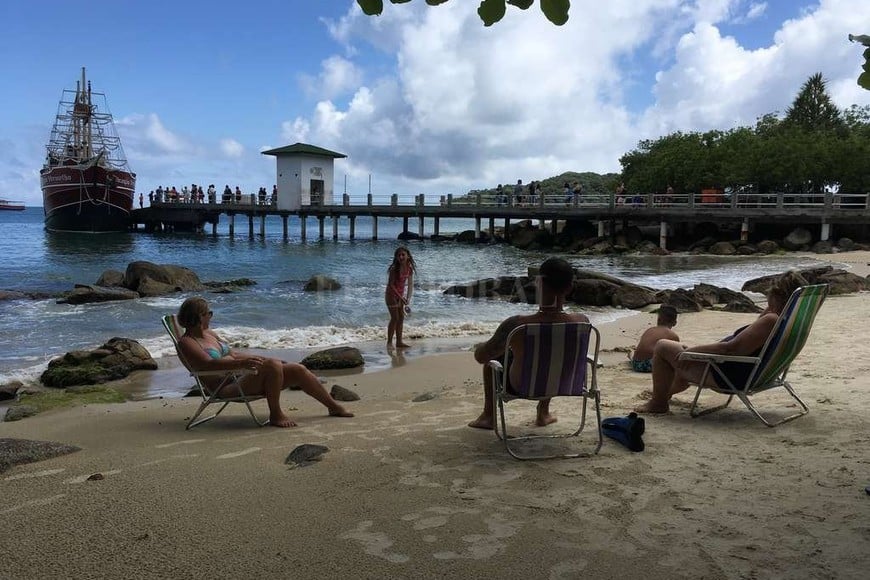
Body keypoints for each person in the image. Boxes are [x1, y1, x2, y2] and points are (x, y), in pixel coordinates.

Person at [634, 271, 806, 414]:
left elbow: (730, 349)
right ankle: (663, 395)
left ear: (776, 296)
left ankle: (658, 404)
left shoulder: (771, 320)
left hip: (727, 375)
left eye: (770, 294)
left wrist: (692, 352)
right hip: (745, 372)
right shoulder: (787, 321)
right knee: (680, 353)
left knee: (663, 346)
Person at [175, 297, 354, 427]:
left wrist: (260, 359)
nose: (211, 316)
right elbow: (207, 365)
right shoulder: (187, 342)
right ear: (198, 317)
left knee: (297, 369)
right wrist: (242, 365)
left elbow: (234, 355)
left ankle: (333, 407)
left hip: (241, 377)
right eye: (208, 313)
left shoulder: (210, 334)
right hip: (226, 387)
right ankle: (276, 414)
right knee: (273, 365)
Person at [468, 257, 589, 430]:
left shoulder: (517, 324)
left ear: (539, 283)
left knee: (491, 363)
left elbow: (481, 357)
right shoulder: (581, 322)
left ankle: (488, 416)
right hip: (563, 383)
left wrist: (481, 346)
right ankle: (543, 413)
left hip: (522, 385)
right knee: (553, 354)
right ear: (569, 287)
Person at [629, 305, 679, 372]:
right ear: (675, 323)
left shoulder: (649, 330)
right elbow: (676, 355)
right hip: (650, 365)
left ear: (658, 320)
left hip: (635, 364)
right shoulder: (672, 335)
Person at [385, 246, 416, 349]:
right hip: (391, 295)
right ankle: (389, 343)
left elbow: (410, 284)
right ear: (396, 257)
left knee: (401, 318)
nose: (401, 257)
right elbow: (391, 285)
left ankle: (399, 342)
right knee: (395, 318)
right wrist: (400, 297)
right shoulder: (394, 269)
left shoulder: (409, 269)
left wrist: (408, 298)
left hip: (400, 296)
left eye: (403, 255)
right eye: (399, 255)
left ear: (408, 256)